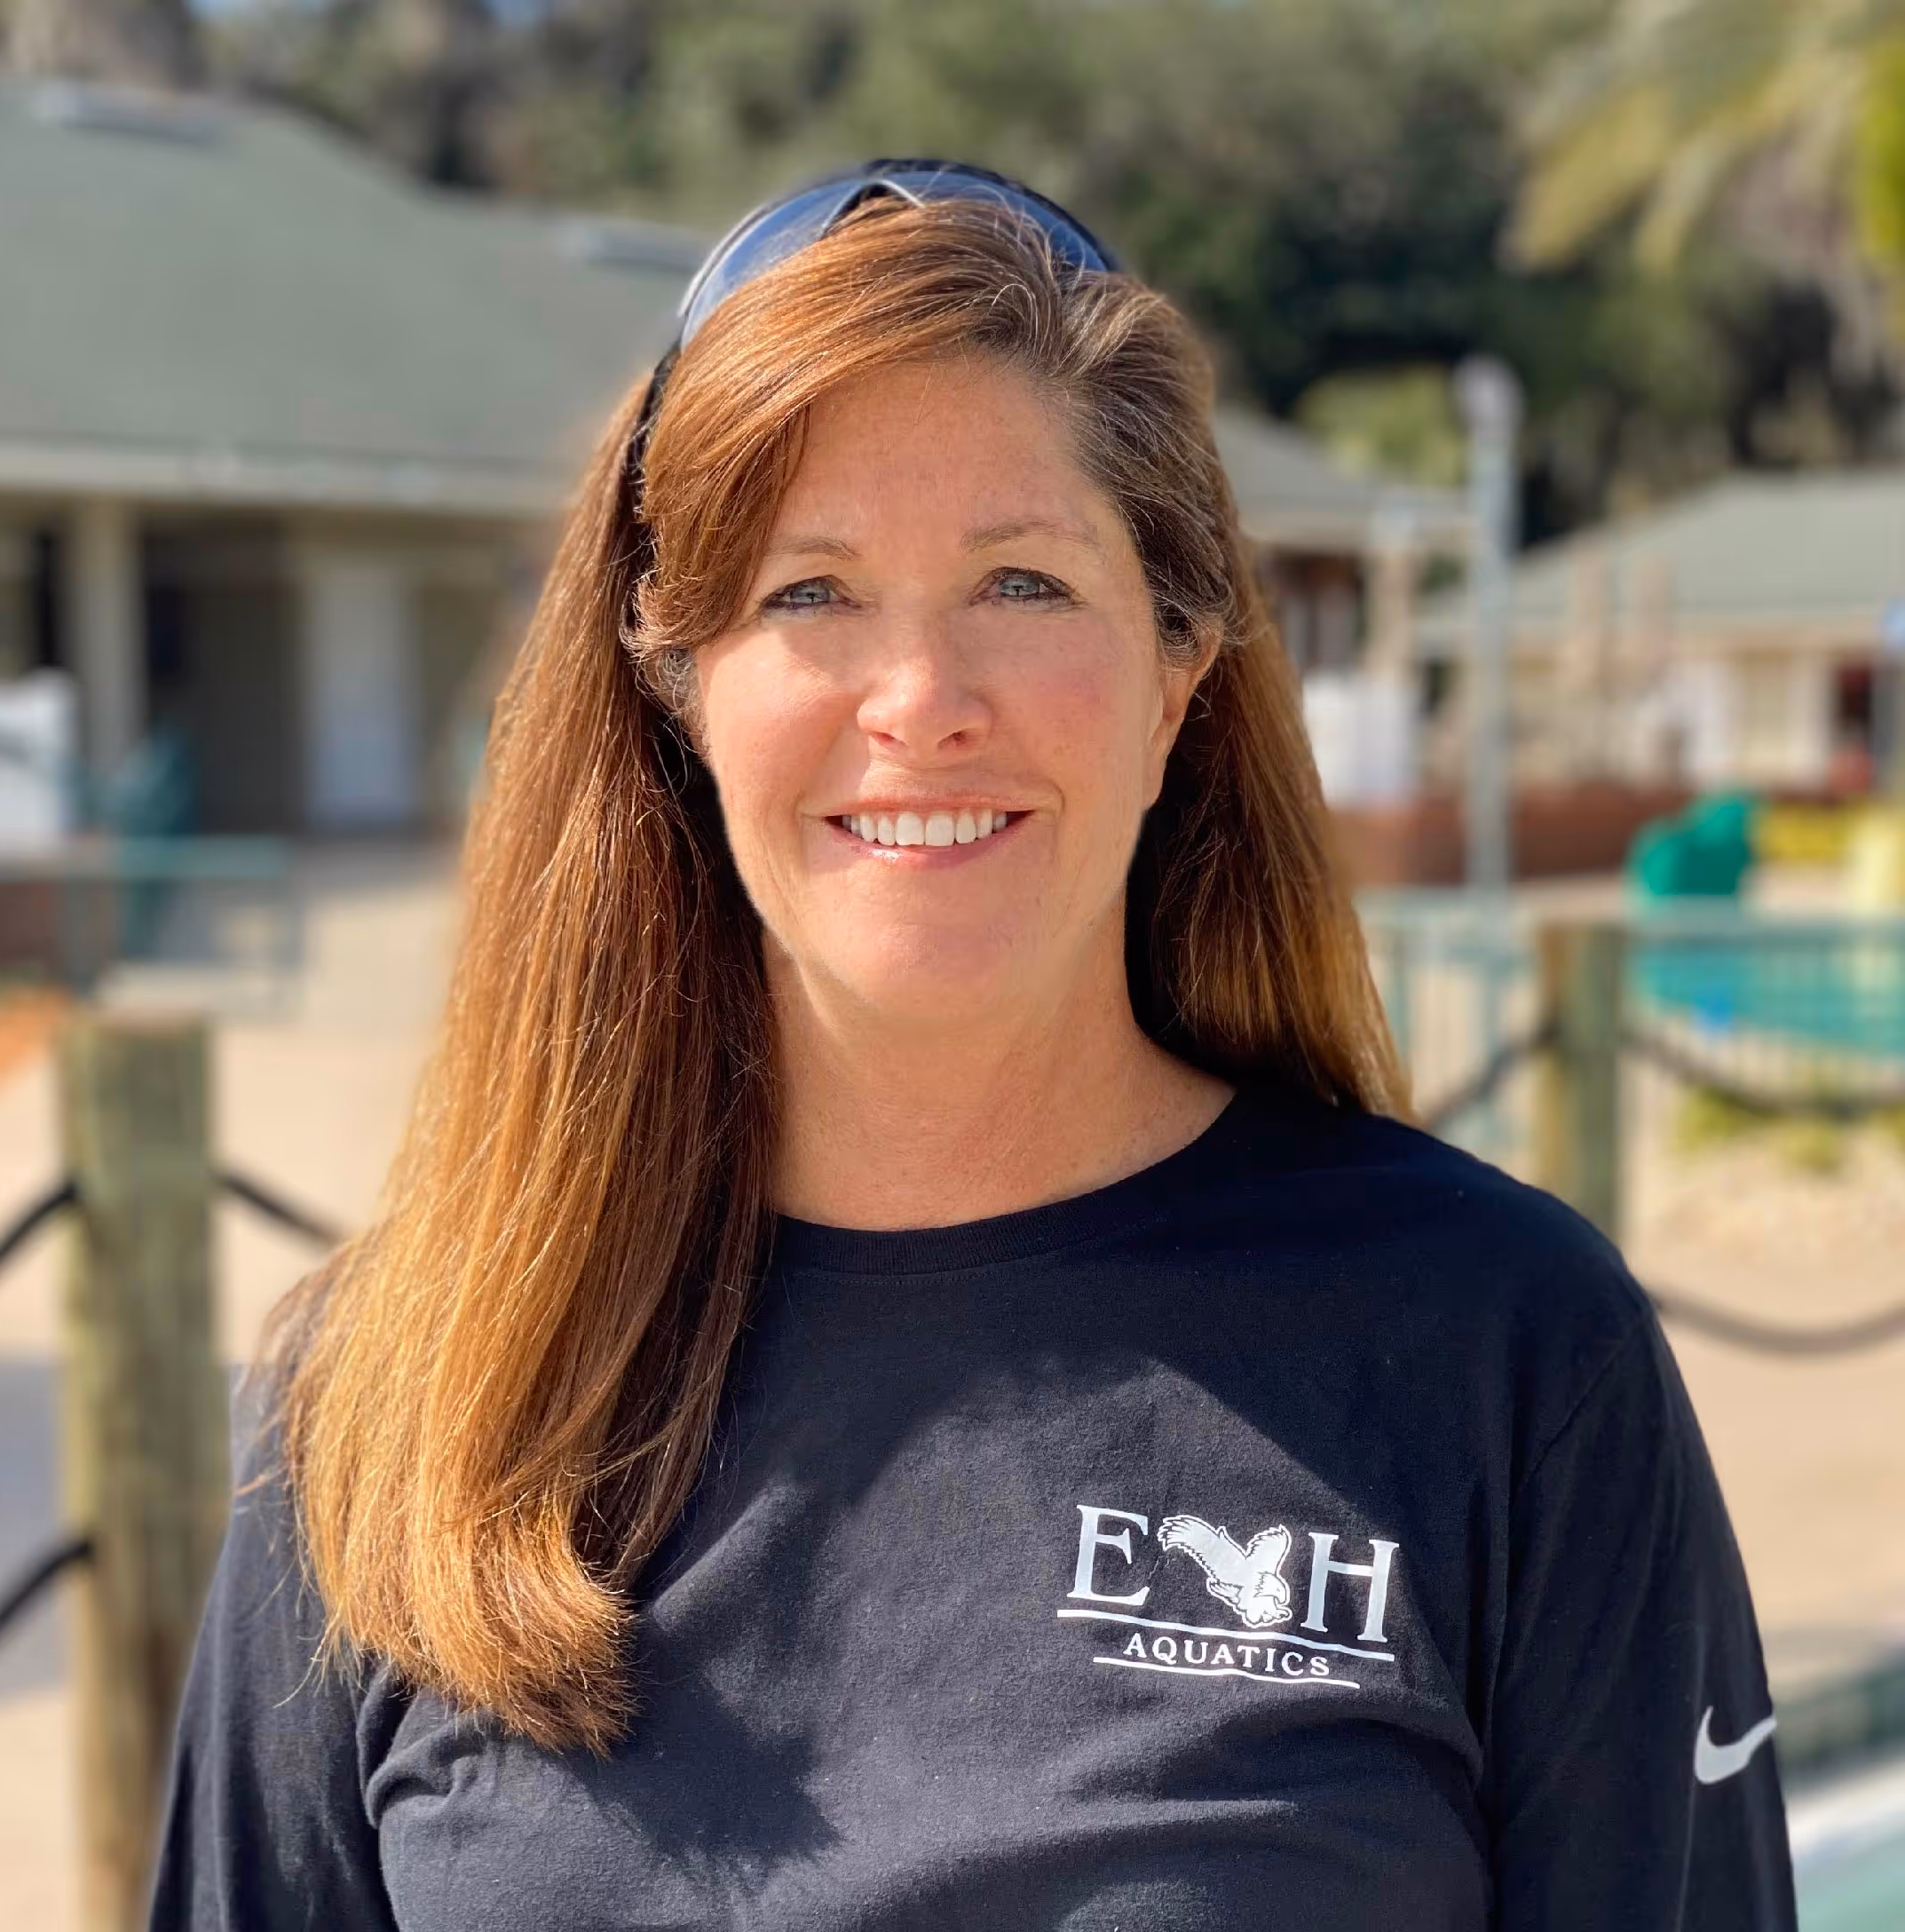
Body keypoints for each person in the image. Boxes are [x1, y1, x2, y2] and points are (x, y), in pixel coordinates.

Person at [146, 159, 1798, 1930]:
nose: (917, 695)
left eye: (1019, 580)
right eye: (807, 592)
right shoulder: (392, 1399)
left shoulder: (1500, 1352)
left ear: (1176, 675)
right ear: (675, 682)